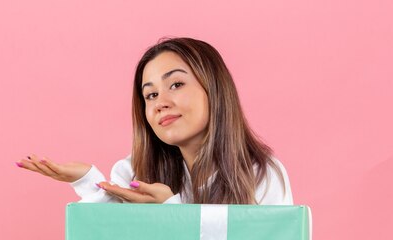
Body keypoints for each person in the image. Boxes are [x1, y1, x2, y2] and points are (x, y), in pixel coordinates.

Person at [16, 37, 293, 205]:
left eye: (176, 85)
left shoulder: (260, 175)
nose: (160, 103)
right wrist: (87, 181)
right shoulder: (135, 171)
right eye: (150, 94)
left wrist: (171, 213)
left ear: (215, 90)